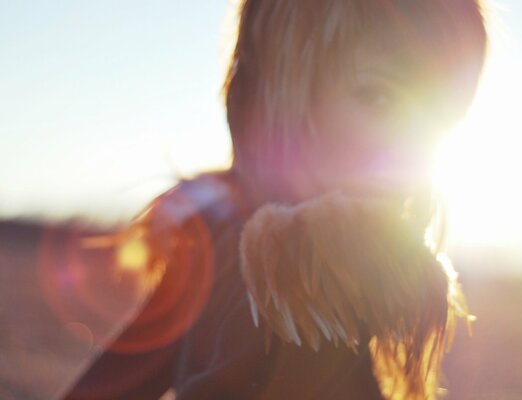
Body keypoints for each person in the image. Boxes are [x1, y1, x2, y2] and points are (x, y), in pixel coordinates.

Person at [65, 0, 487, 398]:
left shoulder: (216, 227)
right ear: (261, 99)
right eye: (378, 97)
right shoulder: (302, 282)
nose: (414, 144)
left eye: (439, 117)